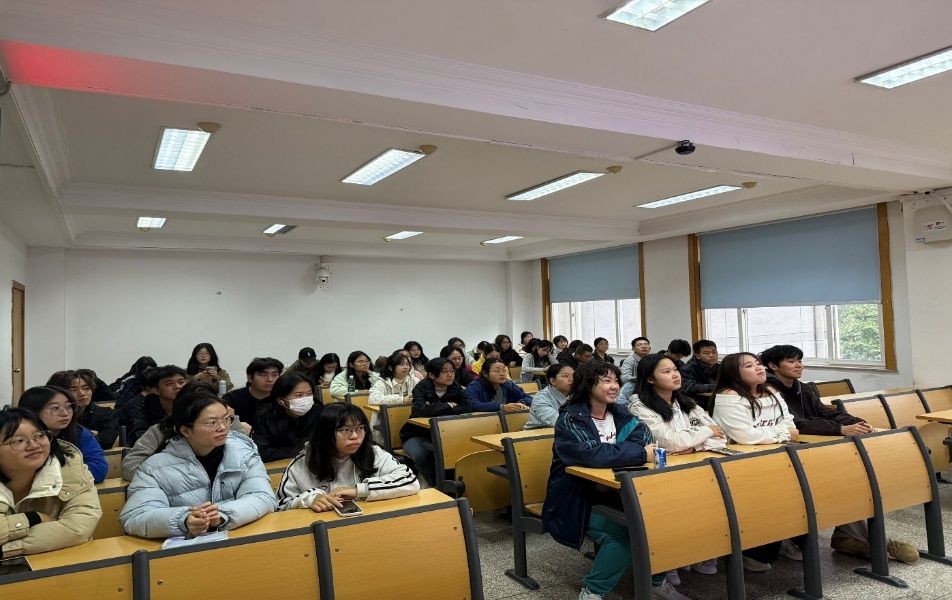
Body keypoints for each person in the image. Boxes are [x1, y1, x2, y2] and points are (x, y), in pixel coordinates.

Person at [542, 362, 689, 600]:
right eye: (606, 381)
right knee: (624, 533)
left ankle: (656, 582)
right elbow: (590, 454)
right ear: (588, 384)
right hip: (577, 498)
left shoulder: (621, 413)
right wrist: (638, 454)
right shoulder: (571, 418)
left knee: (666, 519)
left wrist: (621, 453)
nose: (614, 386)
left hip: (620, 492)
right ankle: (592, 592)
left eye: (616, 381)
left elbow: (644, 438)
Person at [759, 344, 918, 564]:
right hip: (787, 453)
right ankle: (871, 540)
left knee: (854, 479)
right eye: (791, 361)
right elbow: (796, 423)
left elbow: (824, 412)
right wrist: (840, 429)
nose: (799, 365)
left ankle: (853, 536)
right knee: (842, 481)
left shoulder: (802, 388)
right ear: (773, 366)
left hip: (813, 447)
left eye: (800, 360)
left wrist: (857, 423)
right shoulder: (767, 392)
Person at [119, 383, 276, 538]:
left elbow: (263, 496)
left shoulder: (244, 452)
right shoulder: (153, 468)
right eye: (212, 423)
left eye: (226, 419)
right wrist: (183, 520)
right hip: (186, 547)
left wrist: (223, 515)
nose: (222, 427)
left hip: (239, 538)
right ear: (186, 431)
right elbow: (136, 516)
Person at [629, 354, 726, 578]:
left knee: (710, 503)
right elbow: (669, 442)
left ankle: (698, 552)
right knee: (675, 509)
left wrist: (693, 447)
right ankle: (668, 562)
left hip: (695, 466)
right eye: (666, 372)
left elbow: (721, 437)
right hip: (661, 473)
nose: (675, 375)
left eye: (675, 370)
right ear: (650, 379)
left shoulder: (687, 403)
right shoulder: (640, 407)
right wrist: (704, 433)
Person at [711, 352, 800, 571]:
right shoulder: (728, 397)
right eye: (749, 366)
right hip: (740, 464)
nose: (759, 368)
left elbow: (790, 423)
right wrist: (782, 433)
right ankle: (751, 551)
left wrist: (778, 433)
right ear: (734, 373)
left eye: (758, 363)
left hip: (775, 455)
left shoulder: (771, 391)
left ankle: (784, 538)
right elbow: (746, 436)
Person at [0, 406, 102, 558]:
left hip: (61, 560)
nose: (34, 445)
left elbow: (76, 529)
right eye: (18, 441)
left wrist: (5, 550)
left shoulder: (71, 470)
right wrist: (33, 517)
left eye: (40, 435)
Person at [276, 403, 419, 511]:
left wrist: (359, 491)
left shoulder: (373, 452)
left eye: (360, 428)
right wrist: (310, 499)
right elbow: (280, 505)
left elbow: (410, 480)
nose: (355, 436)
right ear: (326, 433)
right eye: (345, 430)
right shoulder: (304, 461)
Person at [399, 358, 471, 486]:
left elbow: (467, 407)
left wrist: (432, 407)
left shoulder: (456, 387)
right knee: (422, 455)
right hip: (417, 434)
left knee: (460, 452)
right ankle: (437, 486)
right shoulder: (420, 388)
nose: (450, 375)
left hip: (447, 434)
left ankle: (453, 486)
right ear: (432, 374)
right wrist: (449, 405)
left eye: (452, 371)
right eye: (444, 371)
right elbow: (420, 410)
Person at [18, 386, 107, 484]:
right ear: (33, 412)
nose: (65, 413)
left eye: (68, 406)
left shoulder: (79, 433)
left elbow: (99, 469)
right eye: (55, 408)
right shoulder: (18, 438)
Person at [252, 373, 322, 462]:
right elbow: (262, 452)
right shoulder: (265, 417)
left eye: (309, 394)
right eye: (299, 395)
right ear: (281, 400)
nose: (306, 399)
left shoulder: (319, 412)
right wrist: (300, 450)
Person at [48, 369, 119, 450]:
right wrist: (91, 434)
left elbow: (105, 442)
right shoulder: (51, 415)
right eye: (73, 390)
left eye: (86, 388)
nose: (82, 394)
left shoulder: (106, 414)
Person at [368, 352, 417, 445]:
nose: (406, 367)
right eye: (401, 364)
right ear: (391, 367)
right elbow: (373, 398)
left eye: (407, 364)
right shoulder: (382, 382)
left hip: (410, 422)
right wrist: (401, 400)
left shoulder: (414, 380)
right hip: (386, 425)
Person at [222, 357, 283, 430]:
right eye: (263, 375)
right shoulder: (232, 398)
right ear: (250, 378)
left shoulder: (283, 398)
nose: (270, 379)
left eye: (274, 375)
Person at [466, 358, 533, 413]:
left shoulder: (508, 384)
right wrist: (501, 407)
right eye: (497, 371)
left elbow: (528, 398)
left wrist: (520, 403)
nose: (502, 374)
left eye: (504, 370)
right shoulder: (474, 386)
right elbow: (473, 404)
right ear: (485, 374)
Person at [524, 363, 574, 429]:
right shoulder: (541, 399)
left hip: (567, 432)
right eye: (565, 376)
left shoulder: (576, 394)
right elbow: (559, 422)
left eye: (573, 376)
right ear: (553, 381)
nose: (571, 379)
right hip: (540, 434)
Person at [680, 340, 720, 410]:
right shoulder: (687, 369)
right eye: (706, 353)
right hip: (696, 405)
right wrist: (717, 386)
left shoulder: (719, 367)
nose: (711, 355)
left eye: (714, 352)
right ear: (697, 356)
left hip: (716, 402)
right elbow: (689, 387)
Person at [618, 337, 651, 406]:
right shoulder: (629, 360)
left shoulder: (651, 359)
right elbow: (624, 377)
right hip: (633, 392)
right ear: (633, 349)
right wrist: (642, 379)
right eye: (639, 345)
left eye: (646, 344)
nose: (644, 346)